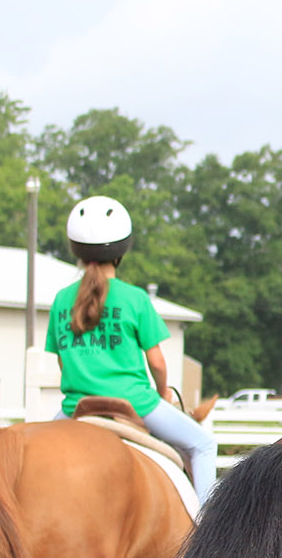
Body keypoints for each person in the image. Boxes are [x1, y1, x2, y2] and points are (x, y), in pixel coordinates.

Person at [47, 196, 217, 502]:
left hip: (76, 405)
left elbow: (62, 361)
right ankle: (208, 533)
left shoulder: (62, 300)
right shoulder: (135, 299)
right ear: (121, 250)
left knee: (41, 458)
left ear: (77, 250)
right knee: (203, 445)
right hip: (136, 402)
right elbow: (158, 363)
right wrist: (163, 392)